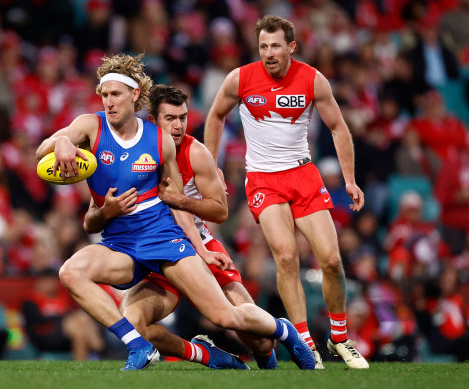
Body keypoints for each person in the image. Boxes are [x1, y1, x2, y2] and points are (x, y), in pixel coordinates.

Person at [36, 53, 315, 371]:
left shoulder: (160, 142)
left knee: (225, 316)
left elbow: (175, 202)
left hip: (164, 239)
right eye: (104, 94)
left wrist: (202, 251)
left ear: (135, 95)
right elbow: (42, 150)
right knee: (70, 272)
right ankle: (141, 348)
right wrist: (60, 144)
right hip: (121, 245)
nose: (109, 102)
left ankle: (284, 330)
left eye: (116, 94)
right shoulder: (89, 125)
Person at [204, 15, 369, 369]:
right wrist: (211, 166)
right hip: (263, 179)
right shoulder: (240, 78)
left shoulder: (312, 79)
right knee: (286, 256)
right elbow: (215, 116)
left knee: (331, 259)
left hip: (304, 174)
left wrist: (350, 179)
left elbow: (338, 127)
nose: (268, 53)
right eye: (263, 46)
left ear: (291, 47)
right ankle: (305, 342)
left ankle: (339, 337)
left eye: (275, 46)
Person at [84, 84, 276, 369]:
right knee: (134, 322)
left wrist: (180, 200)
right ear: (152, 121)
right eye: (170, 119)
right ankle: (205, 354)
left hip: (199, 245)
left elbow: (220, 211)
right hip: (159, 251)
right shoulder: (126, 154)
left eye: (182, 118)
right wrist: (106, 212)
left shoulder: (196, 153)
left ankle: (281, 339)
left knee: (258, 339)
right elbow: (91, 217)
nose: (178, 126)